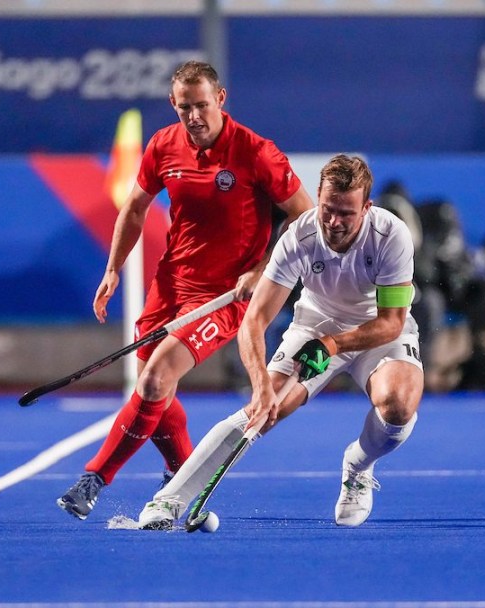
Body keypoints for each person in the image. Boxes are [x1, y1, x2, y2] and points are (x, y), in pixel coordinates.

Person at [56, 61, 313, 520]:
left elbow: (304, 216)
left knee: (155, 378)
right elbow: (134, 208)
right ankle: (181, 483)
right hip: (170, 283)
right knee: (155, 389)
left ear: (221, 99)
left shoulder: (256, 152)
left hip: (224, 296)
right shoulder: (163, 145)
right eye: (184, 108)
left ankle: (92, 479)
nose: (194, 116)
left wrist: (262, 268)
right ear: (173, 105)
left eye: (201, 105)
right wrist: (113, 269)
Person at [135, 154, 423, 529]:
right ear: (318, 196)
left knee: (398, 405)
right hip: (314, 323)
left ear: (367, 208)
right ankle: (166, 502)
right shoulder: (298, 237)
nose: (334, 222)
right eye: (327, 209)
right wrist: (260, 388)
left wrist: (333, 345)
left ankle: (358, 465)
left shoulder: (391, 236)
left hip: (376, 332)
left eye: (346, 214)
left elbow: (391, 324)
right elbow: (253, 322)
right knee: (262, 412)